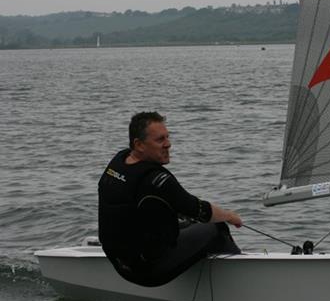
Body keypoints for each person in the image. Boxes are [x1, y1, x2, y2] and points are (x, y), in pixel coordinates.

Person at [98, 111, 242, 287]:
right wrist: (230, 216)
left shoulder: (119, 161)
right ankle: (240, 277)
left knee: (187, 222)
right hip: (146, 272)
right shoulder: (158, 181)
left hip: (118, 262)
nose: (168, 144)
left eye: (167, 137)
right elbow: (202, 211)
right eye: (160, 140)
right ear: (139, 144)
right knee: (217, 227)